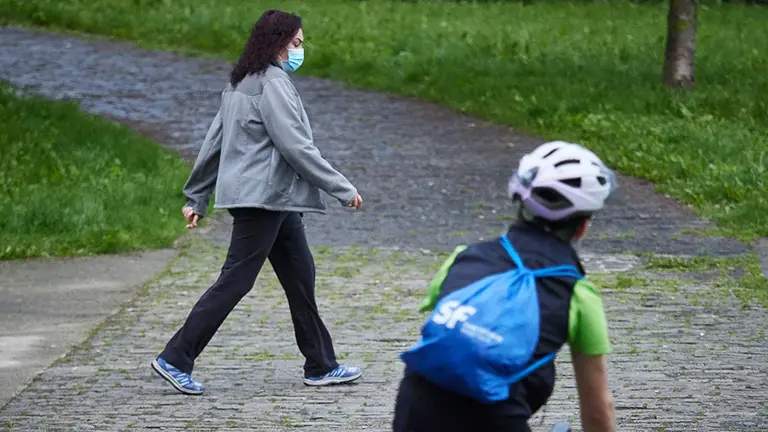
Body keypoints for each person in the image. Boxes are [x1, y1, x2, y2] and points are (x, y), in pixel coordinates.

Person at [151, 9, 364, 395]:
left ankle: (320, 364)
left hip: (276, 200)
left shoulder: (240, 83)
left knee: (301, 278)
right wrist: (342, 188)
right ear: (279, 44)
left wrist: (197, 195)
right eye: (296, 43)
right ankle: (176, 356)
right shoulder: (272, 85)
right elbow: (296, 146)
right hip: (262, 199)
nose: (300, 50)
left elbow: (214, 141)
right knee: (236, 279)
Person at [392, 141, 618, 432]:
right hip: (496, 419)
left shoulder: (463, 257)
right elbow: (598, 409)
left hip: (415, 406)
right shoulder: (578, 293)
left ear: (520, 204)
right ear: (583, 226)